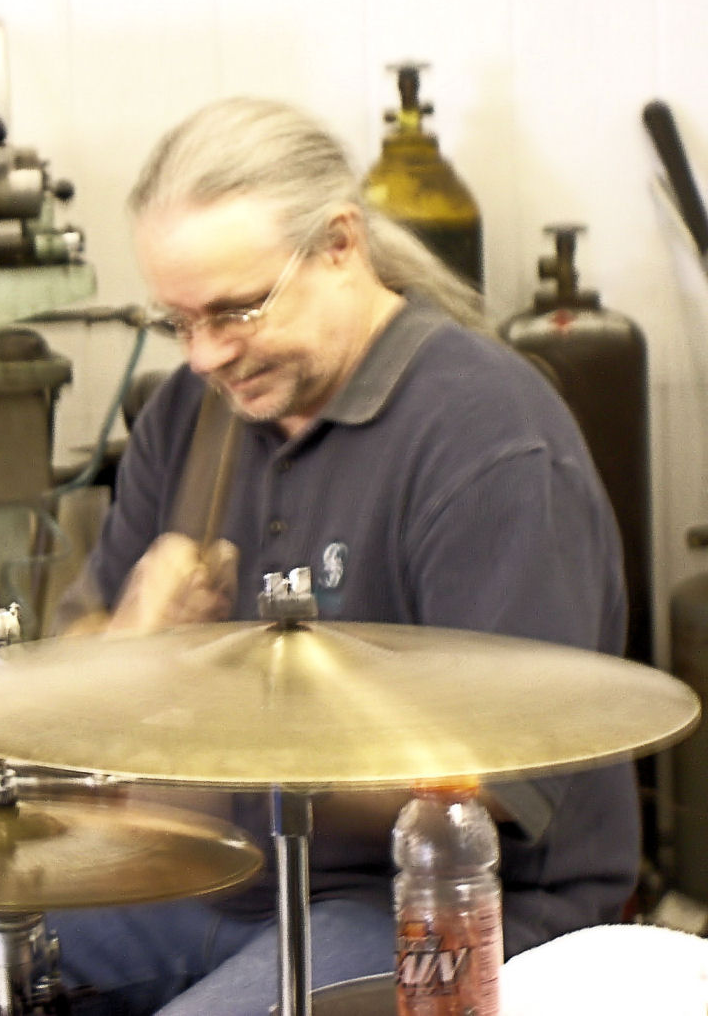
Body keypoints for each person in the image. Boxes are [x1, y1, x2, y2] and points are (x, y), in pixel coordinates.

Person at [47, 97, 637, 1014]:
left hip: (448, 901)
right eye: (178, 321)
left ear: (339, 246)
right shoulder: (190, 414)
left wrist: (229, 754)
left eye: (236, 310)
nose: (204, 356)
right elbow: (52, 697)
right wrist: (132, 633)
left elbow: (500, 781)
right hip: (225, 884)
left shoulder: (489, 438)